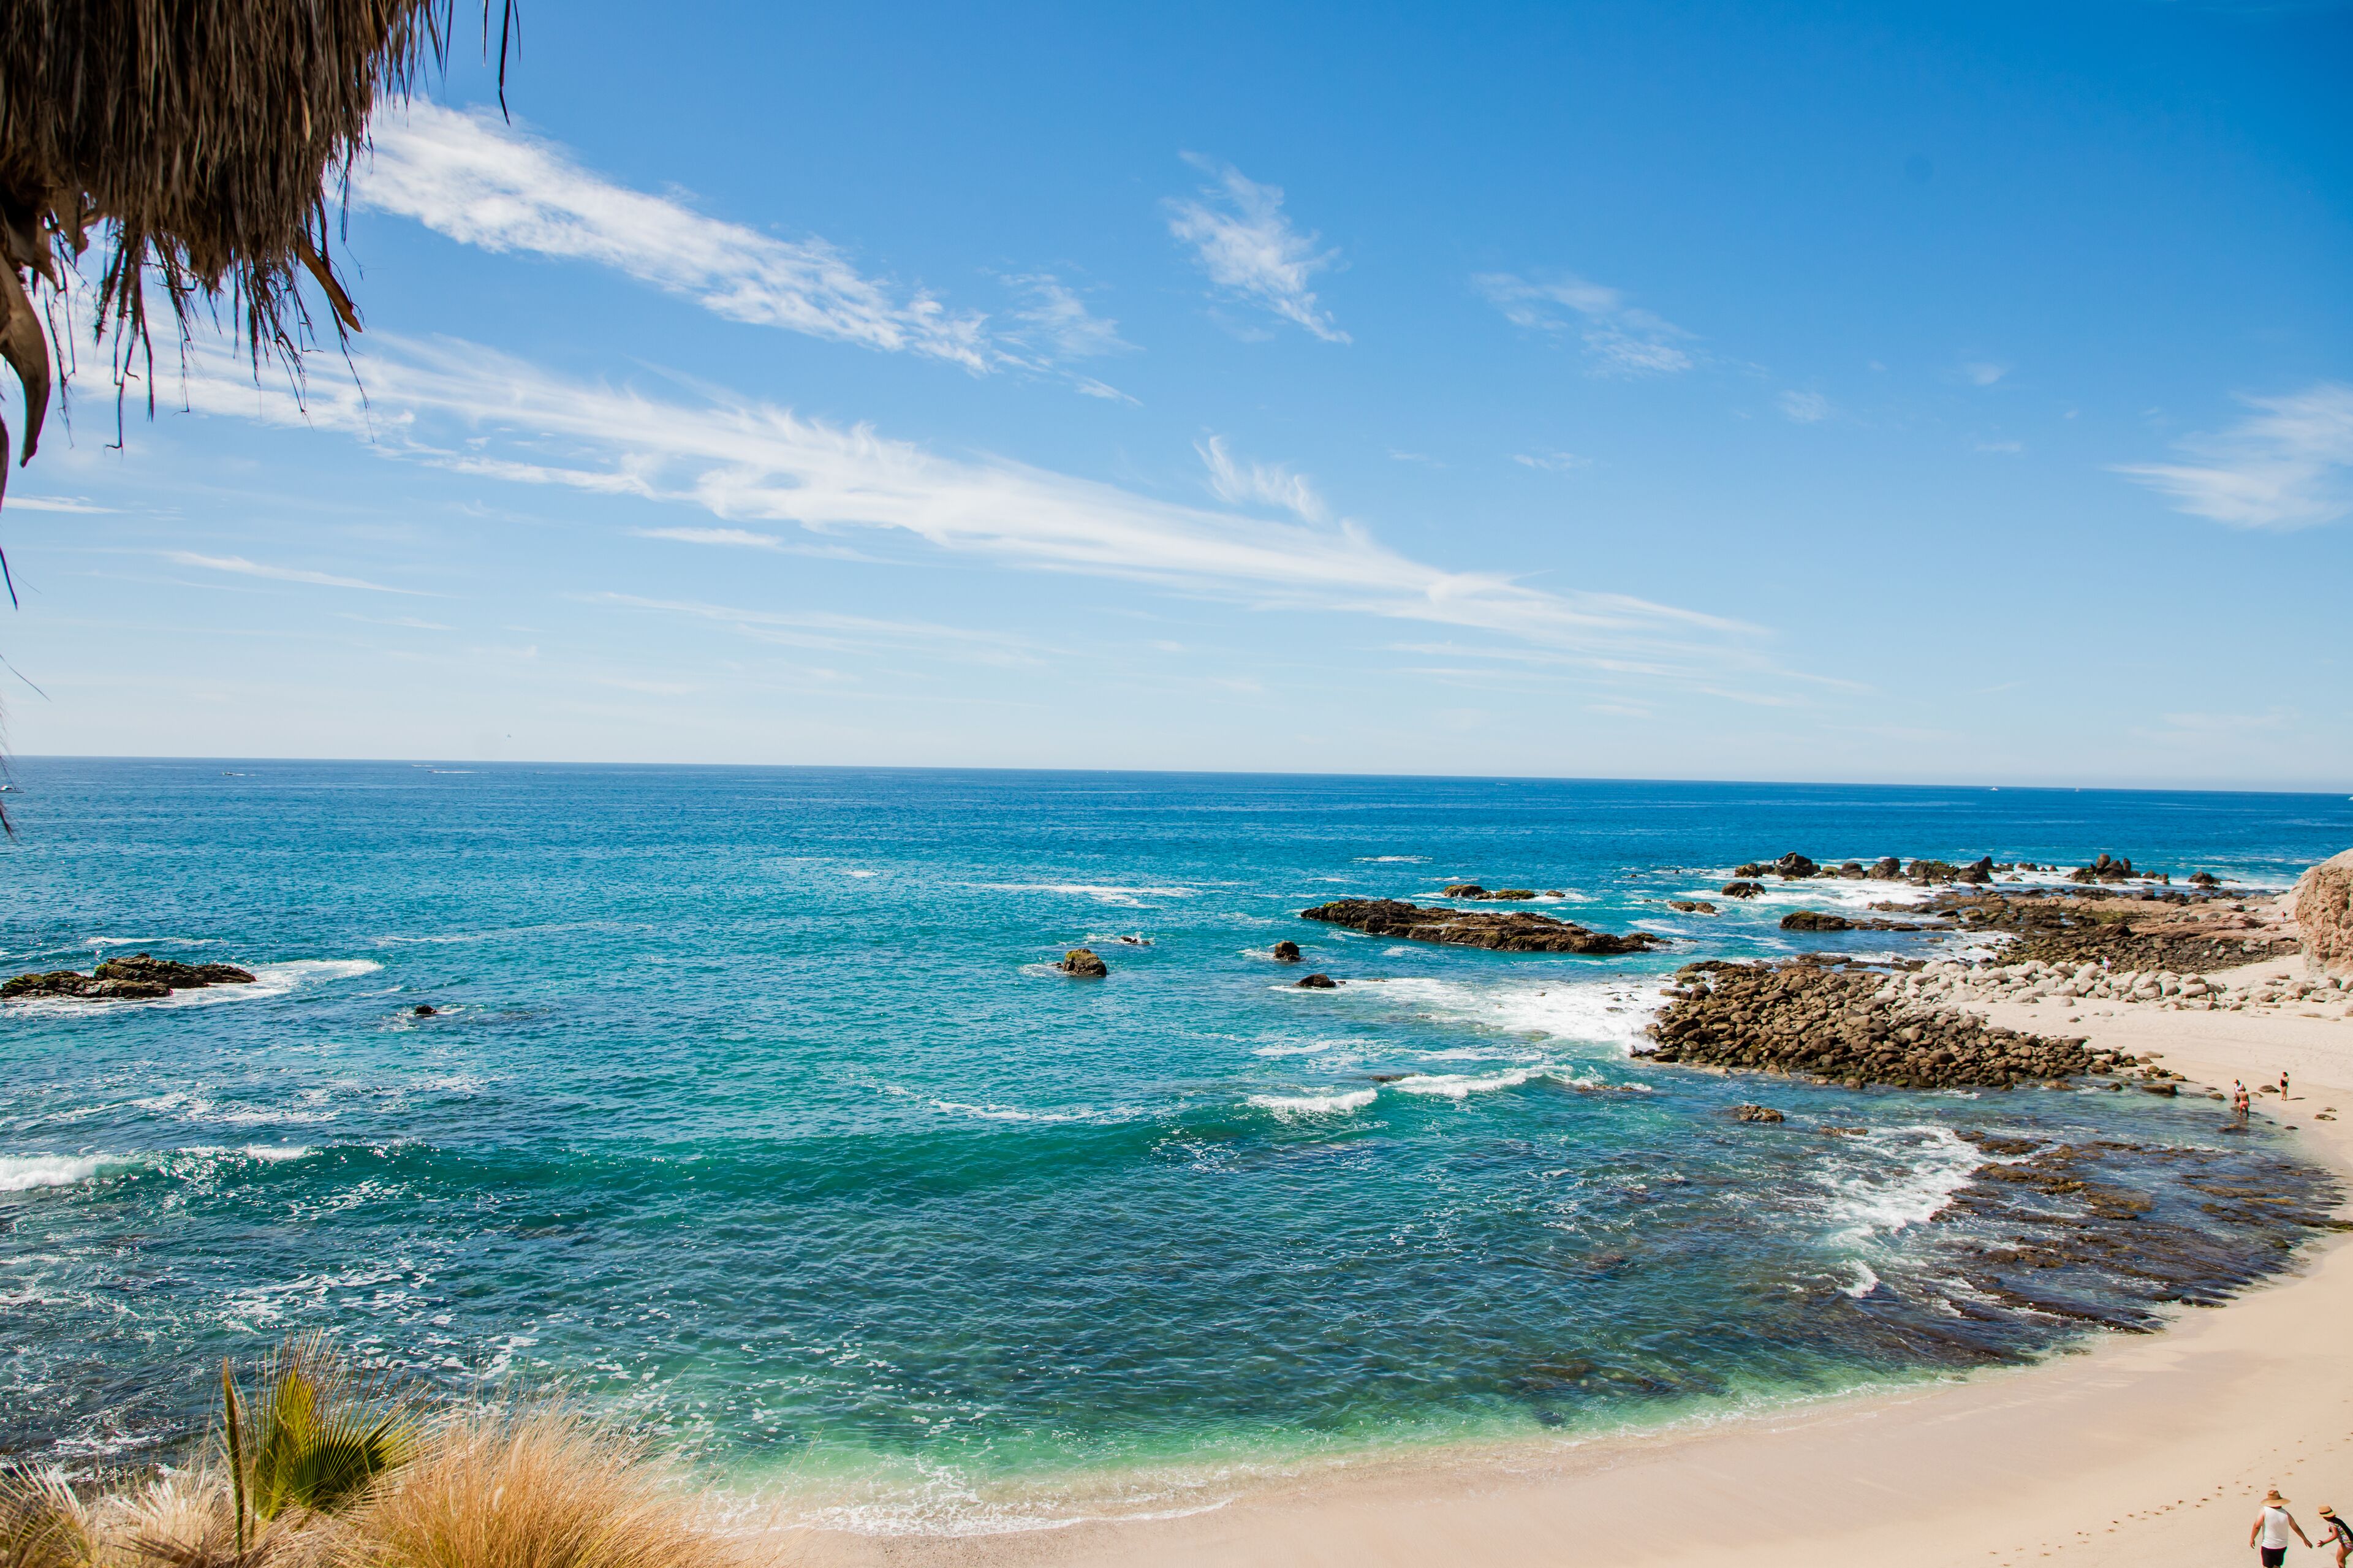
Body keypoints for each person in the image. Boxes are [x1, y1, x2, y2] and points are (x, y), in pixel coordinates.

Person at [2253, 1489, 2313, 1566]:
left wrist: (2252, 1539)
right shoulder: (2286, 1514)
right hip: (2282, 1546)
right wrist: (2305, 1539)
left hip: (2269, 1545)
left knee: (2267, 1566)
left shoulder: (2265, 1511)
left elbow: (2257, 1526)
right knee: (2277, 1566)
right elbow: (2296, 1528)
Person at [2321, 1504, 2352, 1568]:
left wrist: (2324, 1542)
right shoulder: (2338, 1520)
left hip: (2347, 1543)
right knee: (2341, 1559)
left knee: (2339, 1560)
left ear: (2325, 1517)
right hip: (2351, 1541)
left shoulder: (2332, 1524)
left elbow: (2334, 1535)